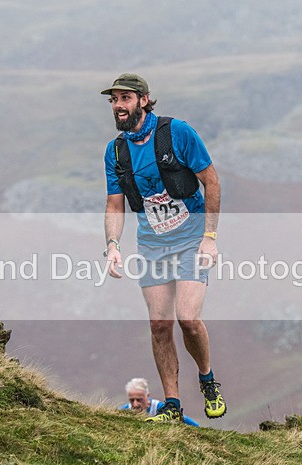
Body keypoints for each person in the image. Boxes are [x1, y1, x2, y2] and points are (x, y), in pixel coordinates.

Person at [101, 73, 226, 423]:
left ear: (143, 99)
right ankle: (172, 406)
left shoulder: (177, 132)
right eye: (113, 100)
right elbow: (114, 205)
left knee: (187, 318)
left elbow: (211, 182)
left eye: (125, 98)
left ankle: (207, 380)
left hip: (191, 240)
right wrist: (112, 246)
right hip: (153, 246)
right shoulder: (116, 151)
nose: (118, 106)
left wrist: (210, 238)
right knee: (159, 325)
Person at [119, 378, 199, 427]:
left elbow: (193, 424)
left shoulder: (159, 407)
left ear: (147, 396)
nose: (135, 404)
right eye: (132, 400)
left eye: (139, 400)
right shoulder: (124, 411)